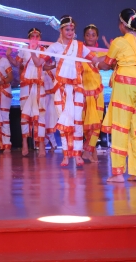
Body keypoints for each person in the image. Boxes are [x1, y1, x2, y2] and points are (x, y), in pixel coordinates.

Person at [97, 9, 136, 183]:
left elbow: (107, 65)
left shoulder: (119, 42)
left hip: (125, 86)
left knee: (120, 127)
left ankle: (118, 173)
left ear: (123, 24)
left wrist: (96, 62)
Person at [44, 16, 97, 167]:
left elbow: (95, 60)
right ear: (61, 30)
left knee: (77, 120)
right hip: (61, 89)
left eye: (72, 29)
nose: (70, 32)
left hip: (76, 88)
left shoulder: (79, 46)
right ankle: (66, 155)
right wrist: (34, 51)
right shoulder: (54, 47)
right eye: (67, 29)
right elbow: (39, 63)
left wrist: (113, 57)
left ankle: (77, 154)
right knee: (64, 120)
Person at [10, 28, 49, 157]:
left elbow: (39, 64)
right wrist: (8, 56)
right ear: (28, 38)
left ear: (40, 38)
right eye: (32, 36)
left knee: (40, 114)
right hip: (26, 85)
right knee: (25, 115)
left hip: (39, 85)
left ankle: (41, 145)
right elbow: (17, 63)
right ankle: (25, 143)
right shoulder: (23, 49)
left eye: (37, 36)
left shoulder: (44, 50)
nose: (35, 38)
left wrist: (33, 51)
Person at [81, 24, 106, 162]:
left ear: (97, 37)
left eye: (93, 35)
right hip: (83, 92)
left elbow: (107, 65)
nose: (90, 37)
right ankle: (93, 152)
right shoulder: (79, 52)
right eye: (88, 35)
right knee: (87, 125)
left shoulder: (100, 52)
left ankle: (88, 151)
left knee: (97, 124)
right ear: (84, 37)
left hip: (97, 91)